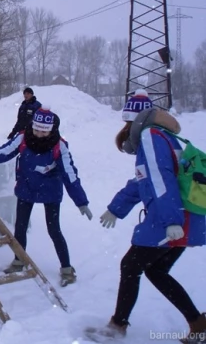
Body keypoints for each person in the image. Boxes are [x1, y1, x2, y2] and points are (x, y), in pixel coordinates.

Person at [88, 90, 206, 342]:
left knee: (130, 266)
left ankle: (116, 327)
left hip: (172, 218)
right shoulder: (165, 137)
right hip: (184, 215)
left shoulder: (150, 137)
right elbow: (142, 180)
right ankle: (199, 324)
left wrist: (171, 221)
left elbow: (160, 180)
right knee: (155, 270)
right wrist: (116, 208)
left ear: (133, 120)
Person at [0, 106, 91, 286]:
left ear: (51, 129)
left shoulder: (59, 146)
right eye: (36, 129)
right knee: (20, 227)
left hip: (50, 191)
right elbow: (0, 153)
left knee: (54, 230)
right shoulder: (23, 138)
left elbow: (70, 175)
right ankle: (19, 260)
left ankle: (67, 269)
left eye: (43, 131)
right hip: (26, 188)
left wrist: (81, 201)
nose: (39, 134)